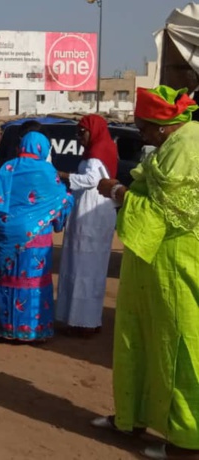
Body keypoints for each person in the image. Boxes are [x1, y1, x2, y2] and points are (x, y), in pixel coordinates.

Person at [92, 86, 199, 459]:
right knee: (135, 336)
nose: (140, 133)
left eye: (143, 127)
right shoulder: (171, 145)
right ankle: (131, 418)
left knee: (180, 344)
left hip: (176, 260)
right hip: (148, 257)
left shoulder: (189, 146)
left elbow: (169, 210)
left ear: (162, 124)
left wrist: (118, 190)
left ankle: (187, 442)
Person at [0, 132, 72, 343]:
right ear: (43, 149)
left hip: (9, 233)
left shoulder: (8, 168)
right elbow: (61, 200)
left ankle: (6, 328)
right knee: (34, 281)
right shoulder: (47, 170)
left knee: (8, 279)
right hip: (37, 236)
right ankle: (33, 330)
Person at [55, 114, 118, 337]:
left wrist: (62, 174)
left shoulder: (97, 154)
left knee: (84, 267)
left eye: (82, 132)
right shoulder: (98, 151)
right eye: (77, 133)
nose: (79, 137)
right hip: (92, 210)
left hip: (93, 211)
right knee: (86, 266)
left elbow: (92, 181)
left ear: (94, 131)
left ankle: (83, 321)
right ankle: (84, 318)